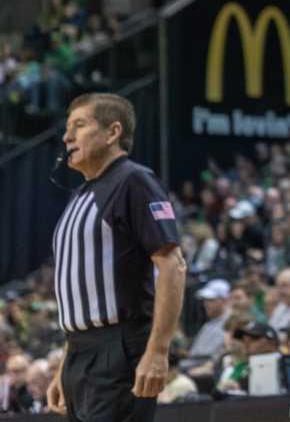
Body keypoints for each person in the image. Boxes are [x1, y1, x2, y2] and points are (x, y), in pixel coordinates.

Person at [46, 93, 186, 421]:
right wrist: (66, 365)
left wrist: (158, 351)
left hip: (119, 349)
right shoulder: (81, 194)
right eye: (67, 128)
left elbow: (172, 265)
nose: (67, 137)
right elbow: (85, 295)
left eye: (79, 126)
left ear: (112, 133)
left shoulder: (134, 180)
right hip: (80, 352)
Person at [190, 279, 231, 359]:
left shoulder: (232, 322)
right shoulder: (208, 325)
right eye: (205, 300)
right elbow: (193, 353)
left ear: (224, 300)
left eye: (211, 300)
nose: (206, 304)